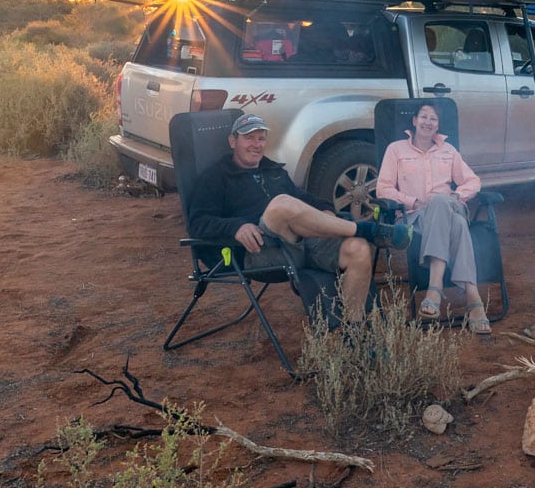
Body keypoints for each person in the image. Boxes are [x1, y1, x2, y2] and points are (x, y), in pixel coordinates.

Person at [186, 113, 410, 325]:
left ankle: (354, 332)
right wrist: (236, 227)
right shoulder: (215, 177)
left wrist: (326, 211)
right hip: (262, 252)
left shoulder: (273, 171)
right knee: (281, 204)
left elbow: (302, 198)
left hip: (303, 245)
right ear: (232, 141)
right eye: (249, 138)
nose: (256, 144)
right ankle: (368, 229)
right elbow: (198, 222)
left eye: (261, 138)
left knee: (359, 249)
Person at [375, 102, 491, 334]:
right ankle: (474, 300)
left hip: (449, 206)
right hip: (415, 217)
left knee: (440, 201)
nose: (428, 122)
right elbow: (383, 189)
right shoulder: (396, 150)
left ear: (438, 125)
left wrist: (458, 195)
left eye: (433, 119)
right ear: (414, 121)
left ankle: (434, 289)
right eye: (424, 117)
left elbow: (473, 181)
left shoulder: (449, 151)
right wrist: (413, 202)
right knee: (457, 223)